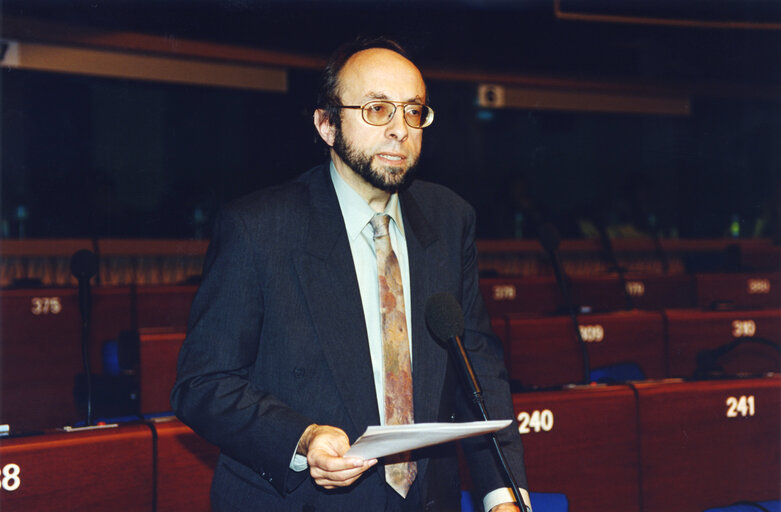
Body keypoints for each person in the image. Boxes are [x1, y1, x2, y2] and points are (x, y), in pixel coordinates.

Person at [171, 36, 530, 512]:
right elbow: (204, 383)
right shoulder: (259, 228)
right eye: (378, 109)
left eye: (413, 111)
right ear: (326, 124)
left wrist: (503, 494)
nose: (400, 129)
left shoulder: (449, 218)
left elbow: (476, 367)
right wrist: (302, 439)